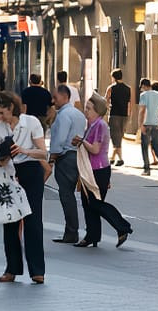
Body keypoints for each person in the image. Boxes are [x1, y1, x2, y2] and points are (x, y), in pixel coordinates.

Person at [0, 91, 48, 285]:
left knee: (33, 220)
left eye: (1, 113)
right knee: (10, 222)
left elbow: (44, 154)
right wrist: (3, 156)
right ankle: (12, 268)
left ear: (10, 108)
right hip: (9, 173)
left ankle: (37, 270)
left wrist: (24, 150)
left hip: (31, 170)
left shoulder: (31, 122)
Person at [79, 90, 132, 248]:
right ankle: (92, 236)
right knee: (88, 203)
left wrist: (81, 141)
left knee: (95, 203)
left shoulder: (100, 125)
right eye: (86, 107)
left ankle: (122, 226)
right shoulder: (91, 125)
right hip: (91, 169)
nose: (86, 111)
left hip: (98, 170)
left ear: (97, 111)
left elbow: (95, 150)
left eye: (89, 108)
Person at [47, 84, 84, 245]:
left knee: (66, 194)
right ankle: (73, 231)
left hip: (66, 156)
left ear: (65, 97)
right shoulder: (78, 114)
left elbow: (60, 140)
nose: (53, 100)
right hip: (76, 155)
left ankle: (71, 231)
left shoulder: (63, 115)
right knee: (70, 194)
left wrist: (52, 157)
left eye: (56, 97)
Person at [137, 77, 158, 175]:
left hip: (146, 123)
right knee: (155, 145)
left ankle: (147, 168)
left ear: (144, 86)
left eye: (141, 87)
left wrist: (141, 124)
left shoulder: (144, 95)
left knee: (144, 146)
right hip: (155, 123)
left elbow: (142, 110)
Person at [106, 69, 131, 167]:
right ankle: (113, 158)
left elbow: (106, 100)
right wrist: (129, 115)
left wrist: (108, 109)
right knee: (119, 136)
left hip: (114, 114)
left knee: (115, 136)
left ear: (114, 77)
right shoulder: (128, 88)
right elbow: (130, 103)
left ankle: (120, 159)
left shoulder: (111, 88)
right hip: (124, 114)